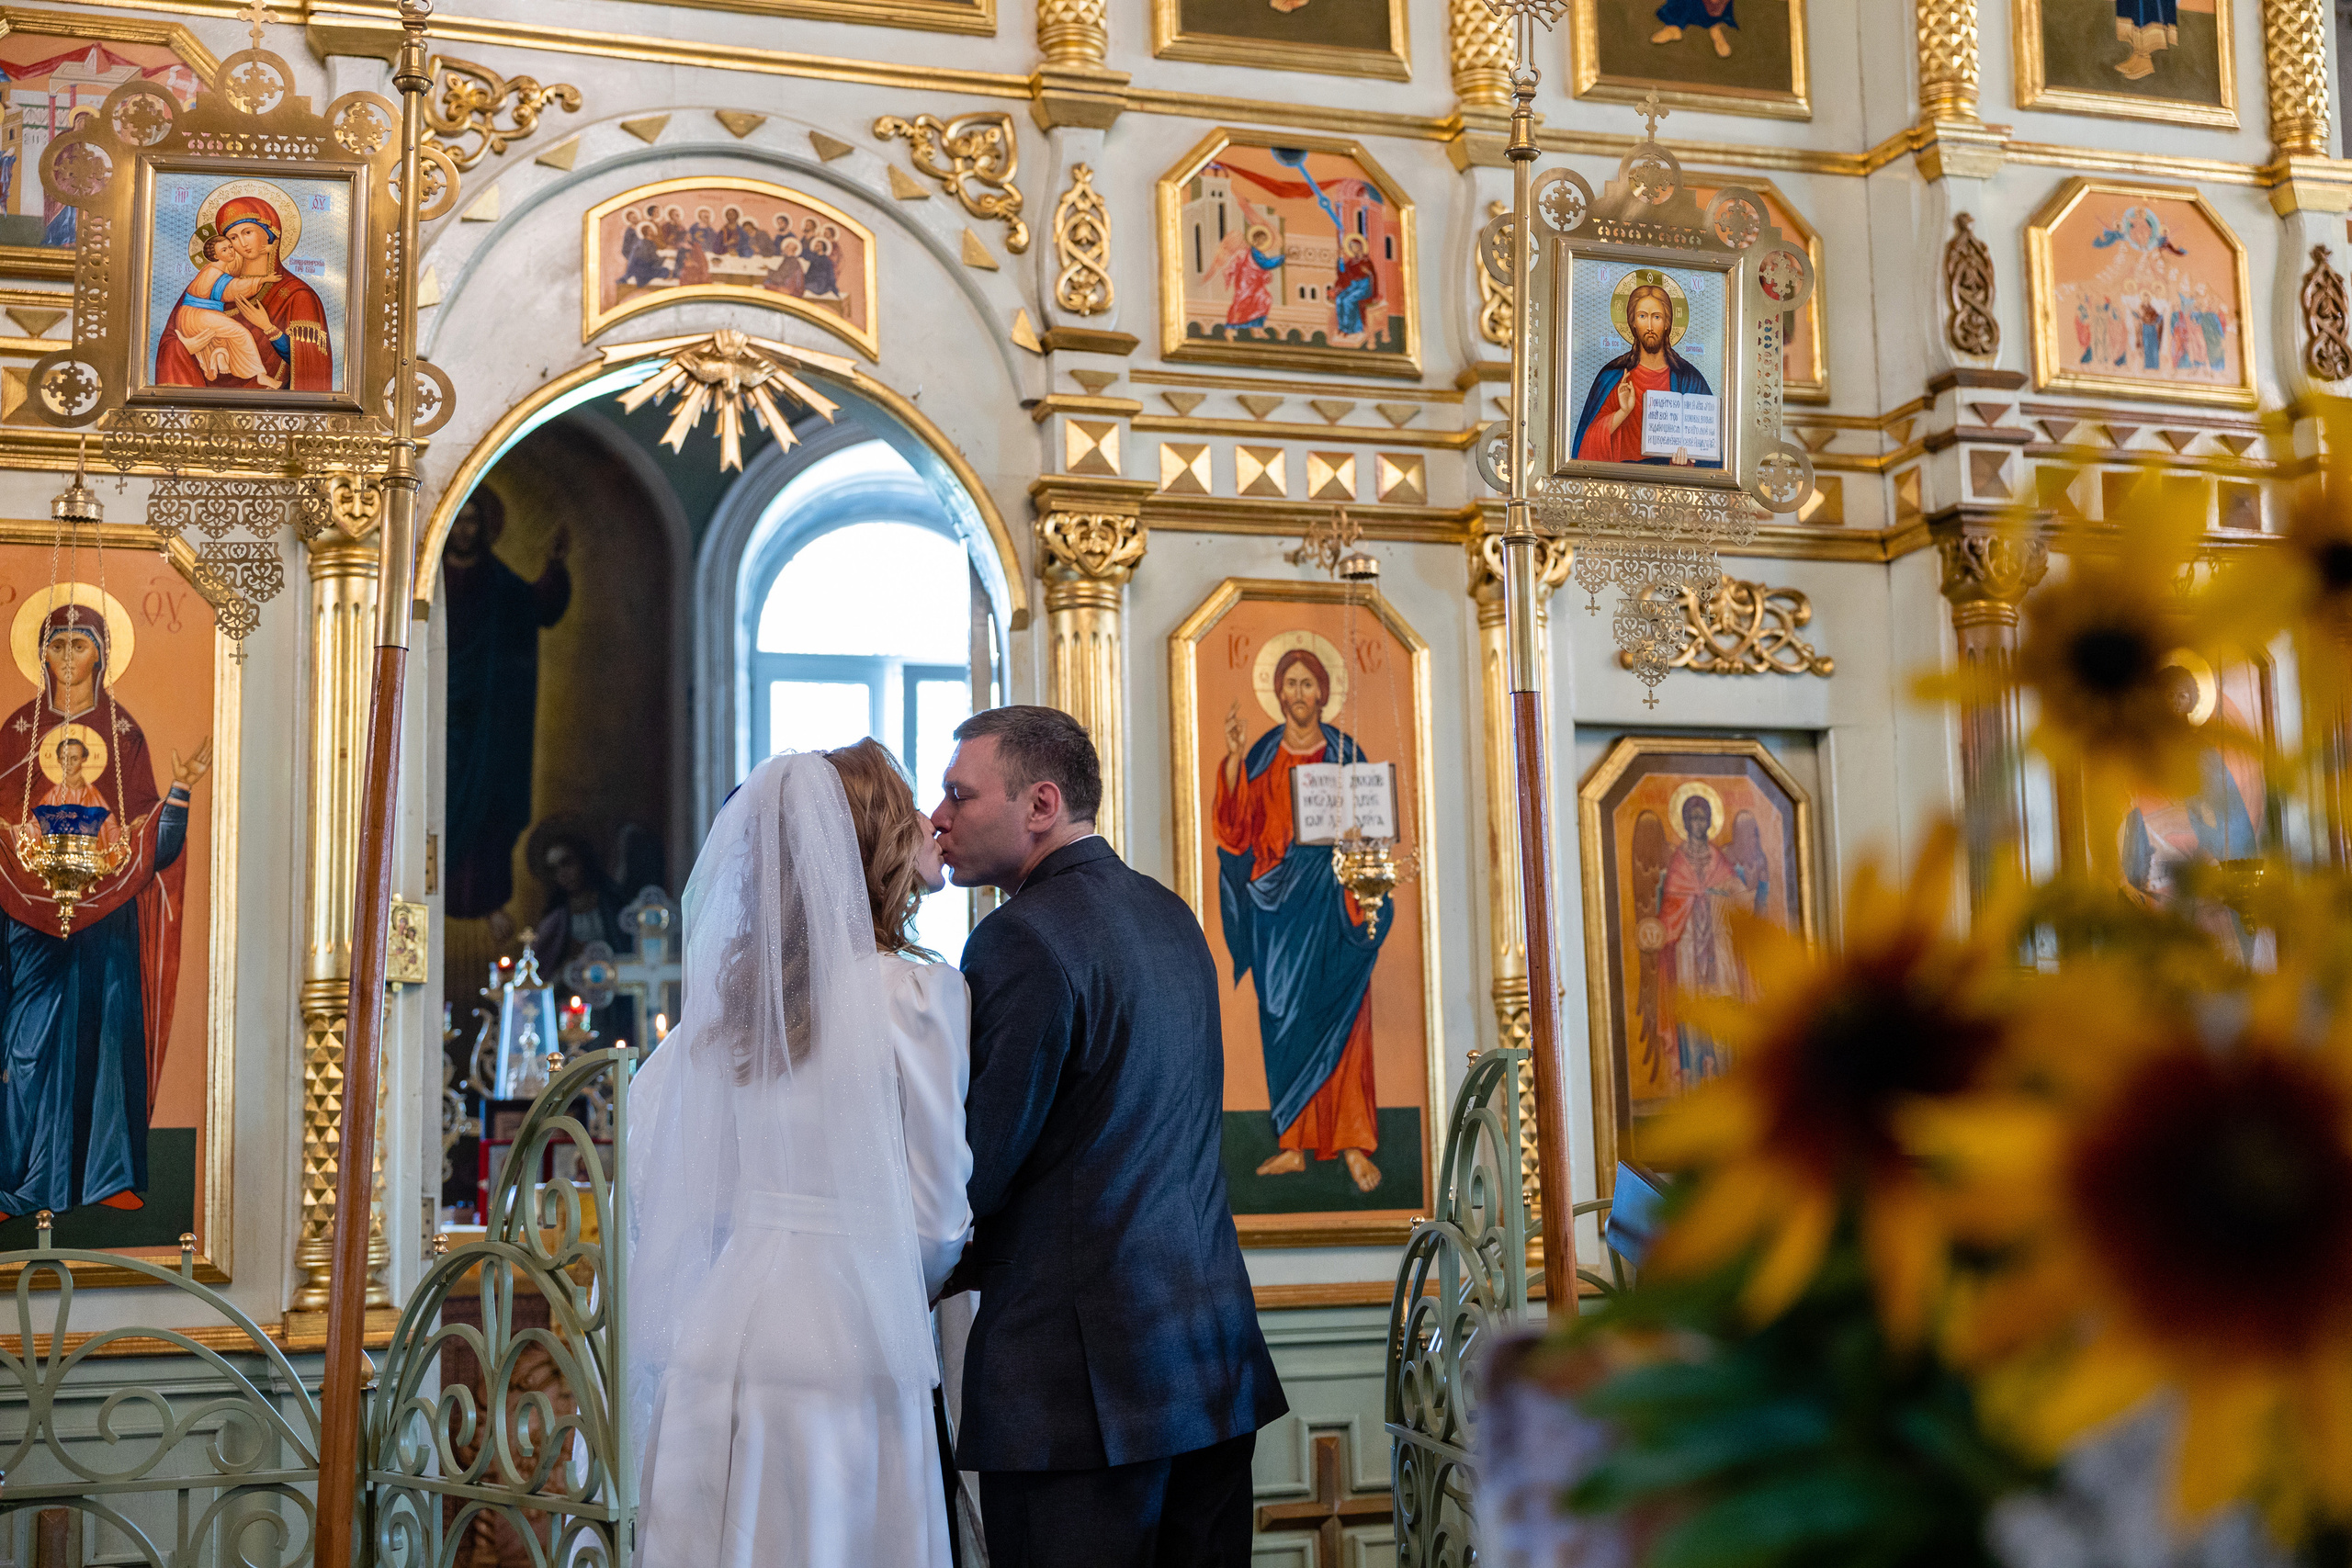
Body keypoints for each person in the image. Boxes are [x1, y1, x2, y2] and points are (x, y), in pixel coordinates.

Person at [931, 705, 1285, 1568]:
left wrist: (908, 1261)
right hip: (1208, 1367)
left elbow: (978, 1167)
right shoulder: (1172, 915)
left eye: (958, 794)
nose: (938, 816)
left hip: (1080, 1394)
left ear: (1040, 803)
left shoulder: (1017, 936)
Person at [630, 739, 970, 1567]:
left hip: (724, 1324)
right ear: (882, 841)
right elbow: (935, 1215)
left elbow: (655, 1171)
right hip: (850, 1334)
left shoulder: (724, 1013)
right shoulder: (916, 996)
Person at [0, 606, 210, 1222]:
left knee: (108, 1037)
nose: (68, 658)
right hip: (24, 913)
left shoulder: (124, 737)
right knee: (24, 1043)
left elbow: (151, 842)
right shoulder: (16, 733)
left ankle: (106, 1176)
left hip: (107, 917)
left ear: (102, 653)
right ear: (40, 653)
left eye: (80, 645)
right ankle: (18, 1179)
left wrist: (178, 794)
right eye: (57, 644)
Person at [1214, 649, 1391, 1195]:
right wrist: (1233, 761)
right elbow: (1235, 834)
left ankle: (1354, 1142)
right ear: (1279, 692)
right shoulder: (1263, 755)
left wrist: (1362, 850)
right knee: (1283, 1018)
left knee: (1346, 1017)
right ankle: (1293, 1143)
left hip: (1335, 901)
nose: (1296, 694)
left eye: (1306, 684)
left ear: (1321, 693)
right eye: (1287, 684)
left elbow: (1372, 828)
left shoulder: (1345, 753)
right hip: (1278, 909)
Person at [439, 487, 571, 931]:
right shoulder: (429, 580)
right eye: (458, 520)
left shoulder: (497, 582)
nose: (463, 530)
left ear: (485, 527)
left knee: (491, 807)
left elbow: (540, 607)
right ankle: (435, 894)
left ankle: (491, 901)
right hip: (443, 715)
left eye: (472, 521)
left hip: (492, 717)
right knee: (445, 797)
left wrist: (554, 567)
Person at [153, 194, 332, 392]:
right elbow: (171, 342)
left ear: (269, 233)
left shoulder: (297, 294)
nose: (242, 243)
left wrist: (269, 328)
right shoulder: (211, 285)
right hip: (206, 404)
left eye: (248, 232)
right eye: (233, 238)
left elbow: (311, 362)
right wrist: (184, 349)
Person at [1571, 280, 1714, 467]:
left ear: (1667, 323)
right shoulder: (1613, 376)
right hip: (1620, 486)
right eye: (1642, 316)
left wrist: (1686, 464)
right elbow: (1586, 447)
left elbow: (1709, 448)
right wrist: (1623, 412)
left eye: (1656, 317)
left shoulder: (1688, 379)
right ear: (1632, 323)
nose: (1649, 326)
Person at [168, 228, 280, 389]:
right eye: (224, 250)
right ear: (215, 255)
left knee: (224, 337)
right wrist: (263, 280)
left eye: (230, 247)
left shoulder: (211, 270)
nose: (230, 251)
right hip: (198, 315)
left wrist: (271, 250)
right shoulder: (214, 273)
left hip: (191, 316)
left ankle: (218, 358)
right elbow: (234, 289)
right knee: (241, 333)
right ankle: (260, 375)